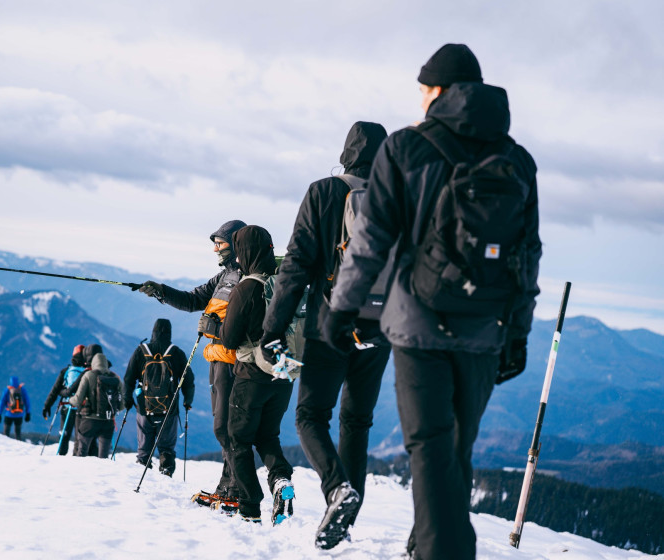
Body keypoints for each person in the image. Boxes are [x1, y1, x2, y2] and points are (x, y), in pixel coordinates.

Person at [325, 44, 541, 560]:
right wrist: (517, 333)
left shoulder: (405, 148)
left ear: (439, 91)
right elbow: (527, 255)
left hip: (417, 325)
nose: (420, 99)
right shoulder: (517, 161)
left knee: (430, 449)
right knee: (454, 454)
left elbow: (370, 241)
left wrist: (341, 308)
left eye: (423, 90)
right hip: (485, 330)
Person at [260, 121, 393, 548]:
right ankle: (346, 522)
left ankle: (337, 490)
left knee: (311, 415)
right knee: (358, 422)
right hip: (381, 328)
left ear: (346, 153)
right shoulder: (400, 198)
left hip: (329, 324)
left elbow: (296, 265)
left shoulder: (324, 192)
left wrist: (272, 329)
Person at [136, 219, 246, 506]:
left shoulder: (247, 277)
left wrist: (215, 326)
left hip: (236, 362)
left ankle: (236, 490)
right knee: (222, 426)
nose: (215, 249)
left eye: (220, 243)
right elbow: (192, 299)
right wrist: (160, 290)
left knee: (229, 427)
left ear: (236, 243)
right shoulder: (224, 276)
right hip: (217, 359)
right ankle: (228, 487)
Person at [220, 225, 294, 524]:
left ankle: (249, 508)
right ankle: (281, 479)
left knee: (238, 440)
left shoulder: (247, 288)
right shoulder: (286, 281)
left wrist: (214, 326)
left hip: (251, 376)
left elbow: (229, 339)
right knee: (268, 435)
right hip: (283, 373)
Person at [123, 318, 195, 477]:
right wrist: (187, 401)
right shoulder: (176, 352)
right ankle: (166, 472)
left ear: (153, 331)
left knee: (144, 449)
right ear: (170, 332)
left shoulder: (141, 351)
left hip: (144, 408)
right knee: (166, 448)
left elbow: (128, 378)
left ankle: (143, 472)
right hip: (169, 409)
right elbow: (188, 380)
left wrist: (127, 399)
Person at [69, 353, 123, 458]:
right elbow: (121, 405)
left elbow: (77, 400)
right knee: (104, 457)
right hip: (108, 422)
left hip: (89, 421)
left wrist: (70, 400)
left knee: (82, 452)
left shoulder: (88, 375)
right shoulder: (115, 378)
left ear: (93, 363)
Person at [42, 344, 86, 455]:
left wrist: (47, 406)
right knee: (79, 438)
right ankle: (78, 458)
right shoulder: (87, 372)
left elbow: (55, 390)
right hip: (82, 409)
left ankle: (61, 456)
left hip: (67, 406)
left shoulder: (66, 371)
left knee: (64, 436)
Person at [0, 376, 31, 440]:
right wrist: (28, 413)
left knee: (6, 433)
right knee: (18, 433)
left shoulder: (7, 390)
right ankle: (18, 444)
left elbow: (2, 402)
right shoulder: (22, 390)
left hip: (8, 414)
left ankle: (5, 444)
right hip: (19, 414)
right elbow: (27, 401)